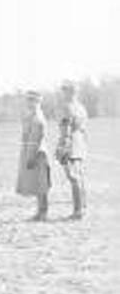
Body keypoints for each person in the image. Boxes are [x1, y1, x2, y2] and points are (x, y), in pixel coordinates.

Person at [55, 80, 88, 220]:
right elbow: (85, 128)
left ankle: (78, 211)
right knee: (80, 177)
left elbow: (65, 127)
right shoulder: (81, 107)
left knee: (73, 177)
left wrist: (62, 145)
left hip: (70, 142)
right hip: (80, 142)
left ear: (69, 91)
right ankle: (83, 208)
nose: (63, 92)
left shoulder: (67, 107)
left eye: (64, 90)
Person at [16, 90, 51, 221]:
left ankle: (43, 213)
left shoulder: (38, 118)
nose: (29, 103)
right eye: (28, 100)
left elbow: (35, 139)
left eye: (32, 100)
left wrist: (30, 156)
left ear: (38, 102)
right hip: (32, 152)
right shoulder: (31, 116)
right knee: (37, 185)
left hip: (38, 154)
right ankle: (40, 212)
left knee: (41, 185)